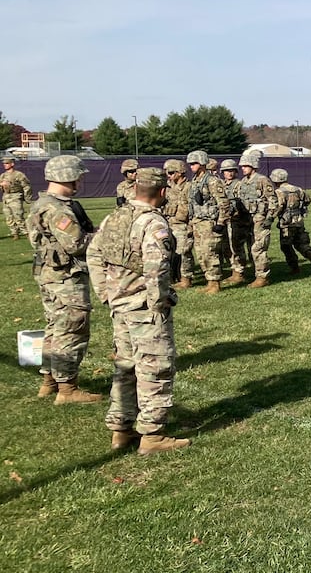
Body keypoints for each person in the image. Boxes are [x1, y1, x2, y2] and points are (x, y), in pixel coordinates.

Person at [88, 168, 189, 454]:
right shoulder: (153, 223)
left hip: (120, 307)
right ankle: (152, 435)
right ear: (163, 192)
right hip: (144, 308)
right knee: (155, 369)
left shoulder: (115, 217)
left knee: (125, 367)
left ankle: (121, 430)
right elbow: (157, 268)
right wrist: (158, 304)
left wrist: (105, 293)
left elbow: (93, 253)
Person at [27, 154, 100, 403]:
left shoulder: (43, 203)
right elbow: (76, 244)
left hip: (50, 275)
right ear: (68, 177)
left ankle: (49, 381)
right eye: (78, 176)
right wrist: (104, 236)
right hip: (65, 278)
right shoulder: (57, 208)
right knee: (72, 330)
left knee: (54, 329)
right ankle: (68, 389)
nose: (80, 181)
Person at [186, 150, 231, 295]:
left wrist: (221, 222)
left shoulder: (212, 180)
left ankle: (215, 283)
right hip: (198, 222)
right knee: (201, 254)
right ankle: (209, 281)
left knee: (209, 252)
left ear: (202, 163)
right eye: (190, 163)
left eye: (194, 163)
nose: (191, 166)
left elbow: (223, 203)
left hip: (209, 223)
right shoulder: (195, 181)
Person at [237, 151, 279, 288]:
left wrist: (270, 218)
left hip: (260, 219)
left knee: (258, 248)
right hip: (247, 220)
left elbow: (273, 200)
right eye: (242, 166)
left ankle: (262, 277)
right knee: (250, 247)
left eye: (245, 166)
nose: (242, 168)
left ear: (253, 166)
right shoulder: (243, 181)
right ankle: (255, 273)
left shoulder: (262, 180)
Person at [270, 168, 311, 275]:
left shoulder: (279, 192)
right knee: (300, 243)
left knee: (286, 246)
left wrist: (272, 216)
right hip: (299, 221)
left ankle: (295, 267)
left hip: (286, 223)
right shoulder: (298, 189)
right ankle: (310, 255)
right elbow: (307, 200)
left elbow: (279, 206)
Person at [162, 159, 194, 288]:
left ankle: (186, 279)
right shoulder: (168, 187)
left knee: (183, 252)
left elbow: (190, 207)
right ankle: (171, 277)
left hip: (183, 225)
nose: (168, 176)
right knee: (169, 252)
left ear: (180, 172)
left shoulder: (189, 187)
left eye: (171, 172)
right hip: (168, 223)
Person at [221, 158, 252, 285]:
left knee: (237, 246)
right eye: (226, 171)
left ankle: (239, 272)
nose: (229, 173)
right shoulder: (221, 185)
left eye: (231, 170)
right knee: (226, 247)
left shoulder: (239, 185)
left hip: (237, 220)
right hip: (225, 220)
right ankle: (234, 270)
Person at [1, 154, 35, 240]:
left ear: (12, 164)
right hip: (6, 198)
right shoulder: (2, 176)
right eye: (4, 163)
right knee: (9, 217)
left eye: (7, 163)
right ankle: (15, 233)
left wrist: (27, 198)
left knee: (18, 216)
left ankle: (26, 233)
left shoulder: (19, 175)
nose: (5, 165)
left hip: (15, 197)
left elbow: (26, 186)